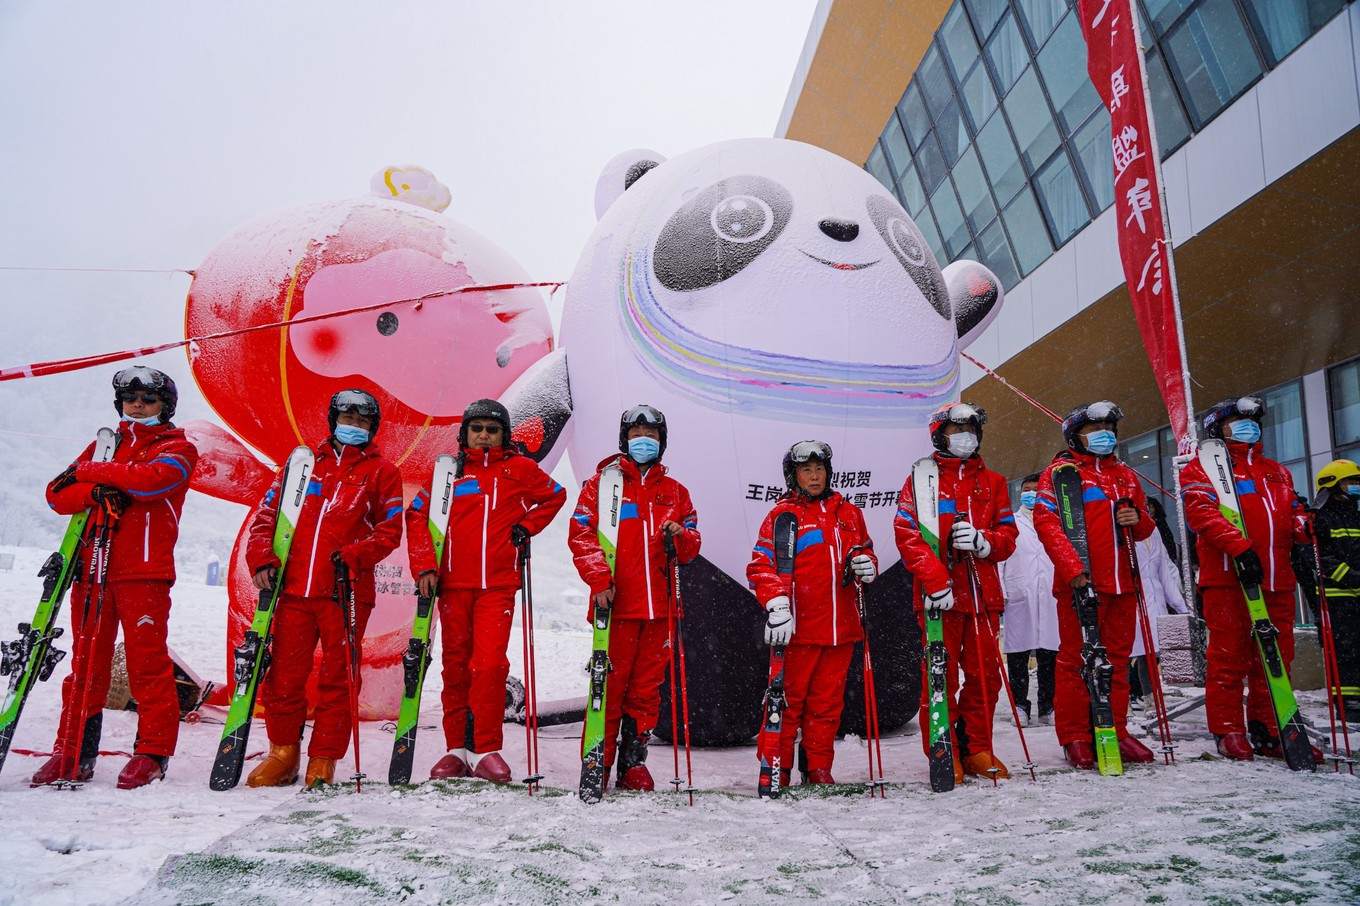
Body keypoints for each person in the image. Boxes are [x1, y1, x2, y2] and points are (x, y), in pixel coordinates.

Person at [35, 366, 198, 789]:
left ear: (165, 406)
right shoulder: (105, 446)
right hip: (92, 571)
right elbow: (57, 493)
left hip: (144, 572)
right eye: (130, 399)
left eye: (148, 399)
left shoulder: (178, 448)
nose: (138, 405)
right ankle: (72, 751)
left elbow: (151, 483)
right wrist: (92, 491)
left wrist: (94, 473)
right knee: (86, 665)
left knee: (148, 665)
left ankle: (152, 754)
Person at [245, 389, 403, 788]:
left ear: (372, 429)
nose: (354, 427)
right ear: (333, 420)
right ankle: (283, 752)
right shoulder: (302, 467)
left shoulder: (383, 473)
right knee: (284, 675)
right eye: (347, 419)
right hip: (295, 589)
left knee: (340, 677)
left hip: (345, 590)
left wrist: (356, 554)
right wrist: (262, 556)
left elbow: (390, 532)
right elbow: (267, 516)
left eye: (362, 422)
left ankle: (324, 757)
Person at [407, 399, 565, 783]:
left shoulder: (521, 469)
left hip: (498, 584)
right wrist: (425, 565)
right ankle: (455, 751)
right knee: (456, 668)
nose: (483, 435)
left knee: (490, 666)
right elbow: (417, 515)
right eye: (476, 428)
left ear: (503, 435)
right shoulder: (448, 474)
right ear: (465, 433)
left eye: (492, 429)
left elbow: (555, 496)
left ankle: (486, 748)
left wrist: (527, 527)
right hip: (453, 585)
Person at [567, 404, 700, 791]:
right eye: (637, 433)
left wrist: (681, 536)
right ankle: (598, 760)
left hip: (659, 609)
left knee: (644, 693)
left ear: (663, 441)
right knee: (607, 689)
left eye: (653, 434)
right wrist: (599, 578)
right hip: (616, 608)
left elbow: (691, 548)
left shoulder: (676, 492)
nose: (645, 440)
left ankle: (632, 763)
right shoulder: (601, 486)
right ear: (624, 439)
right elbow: (581, 535)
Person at [1180, 396, 1317, 761]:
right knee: (1229, 659)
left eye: (1254, 421)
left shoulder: (1277, 471)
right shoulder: (1202, 468)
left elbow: (1292, 519)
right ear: (1218, 429)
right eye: (1239, 422)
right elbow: (1201, 514)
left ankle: (1271, 728)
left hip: (1276, 580)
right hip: (1229, 578)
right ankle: (1228, 730)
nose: (1250, 427)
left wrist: (1309, 525)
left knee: (1273, 660)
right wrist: (1240, 548)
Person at [895, 403, 1017, 780]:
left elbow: (1009, 536)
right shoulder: (922, 479)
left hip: (982, 596)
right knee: (939, 676)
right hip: (938, 599)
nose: (965, 435)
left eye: (971, 428)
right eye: (956, 428)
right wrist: (935, 579)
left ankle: (977, 747)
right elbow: (907, 534)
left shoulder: (993, 482)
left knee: (985, 676)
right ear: (939, 434)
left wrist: (984, 541)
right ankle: (942, 749)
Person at [1033, 401, 1158, 770]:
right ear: (1075, 434)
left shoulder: (1125, 475)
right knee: (1075, 662)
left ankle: (1114, 729)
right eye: (1094, 428)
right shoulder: (1060, 473)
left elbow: (1146, 527)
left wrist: (1137, 518)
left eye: (1108, 427)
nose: (1104, 433)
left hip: (1123, 585)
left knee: (1117, 662)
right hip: (1080, 585)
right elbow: (1048, 524)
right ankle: (1074, 735)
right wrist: (1075, 572)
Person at [747, 440, 876, 787]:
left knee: (826, 708)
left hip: (842, 630)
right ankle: (778, 766)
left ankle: (818, 767)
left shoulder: (849, 513)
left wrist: (867, 566)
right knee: (787, 705)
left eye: (819, 469)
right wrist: (775, 601)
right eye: (807, 470)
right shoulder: (781, 516)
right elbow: (761, 567)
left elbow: (866, 552)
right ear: (794, 475)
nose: (815, 476)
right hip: (800, 631)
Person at [998, 472, 1058, 727]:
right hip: (1018, 596)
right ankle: (1020, 706)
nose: (1031, 493)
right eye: (1026, 489)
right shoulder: (1010, 523)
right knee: (1018, 655)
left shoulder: (1056, 522)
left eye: (1036, 488)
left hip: (1051, 597)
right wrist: (1001, 592)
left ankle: (1048, 706)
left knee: (1050, 654)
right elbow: (1000, 559)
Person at [1308, 460, 1360, 723]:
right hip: (1337, 597)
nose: (1355, 487)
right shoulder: (1320, 518)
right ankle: (1347, 702)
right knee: (1344, 651)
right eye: (1350, 482)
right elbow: (1321, 559)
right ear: (1333, 484)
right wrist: (1352, 578)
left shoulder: (1355, 514)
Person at [1128, 500, 1188, 713]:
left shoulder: (1153, 533)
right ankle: (1136, 700)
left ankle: (1151, 700)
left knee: (1151, 654)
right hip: (1131, 600)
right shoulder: (1122, 534)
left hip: (1156, 600)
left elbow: (1165, 570)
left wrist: (1180, 606)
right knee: (1135, 653)